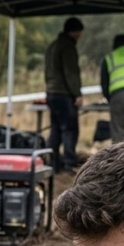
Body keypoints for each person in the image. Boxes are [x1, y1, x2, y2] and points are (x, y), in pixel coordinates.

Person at [45, 17, 84, 172]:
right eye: (79, 32)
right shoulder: (68, 47)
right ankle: (69, 163)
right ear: (73, 31)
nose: (80, 36)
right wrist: (77, 94)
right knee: (70, 129)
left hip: (51, 93)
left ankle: (52, 163)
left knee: (55, 130)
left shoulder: (52, 46)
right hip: (64, 94)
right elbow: (71, 73)